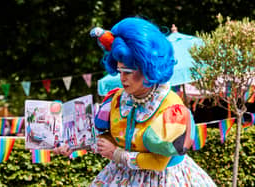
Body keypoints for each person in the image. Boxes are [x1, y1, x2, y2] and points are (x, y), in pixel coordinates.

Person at [54, 17, 216, 186]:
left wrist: (117, 154)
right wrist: (74, 144)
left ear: (148, 68)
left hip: (162, 180)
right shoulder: (117, 100)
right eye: (119, 71)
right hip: (121, 176)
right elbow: (109, 137)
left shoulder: (171, 107)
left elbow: (159, 162)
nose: (122, 78)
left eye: (128, 71)